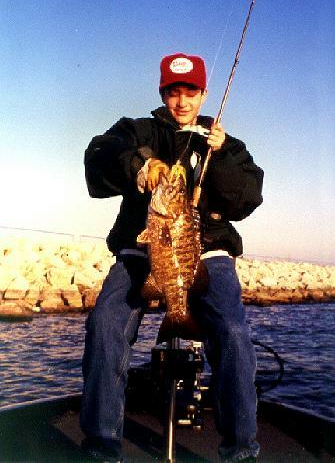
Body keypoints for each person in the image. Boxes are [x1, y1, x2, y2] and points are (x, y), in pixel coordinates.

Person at [80, 53, 264, 462]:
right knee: (106, 325)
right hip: (140, 248)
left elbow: (247, 198)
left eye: (190, 92)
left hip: (207, 252)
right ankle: (101, 447)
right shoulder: (136, 130)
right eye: (173, 91)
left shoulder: (226, 145)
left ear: (203, 94)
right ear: (163, 92)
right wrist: (140, 168)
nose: (181, 101)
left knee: (233, 334)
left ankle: (241, 450)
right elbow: (98, 155)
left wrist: (223, 159)